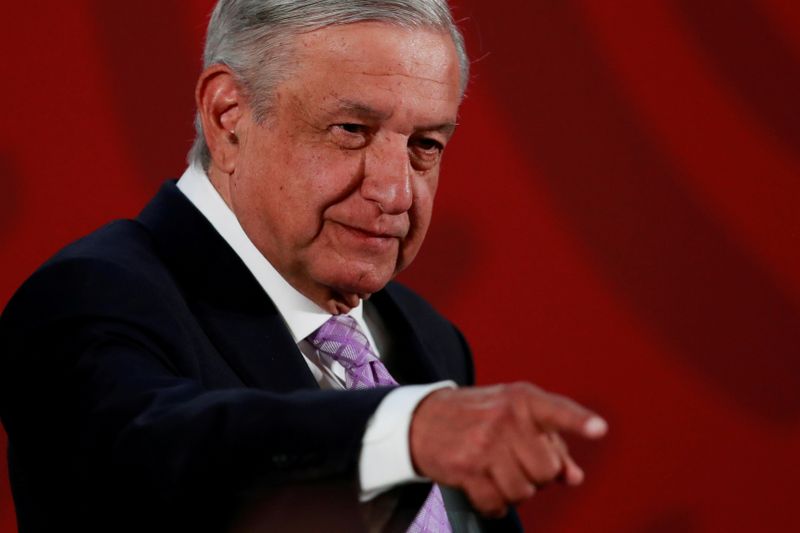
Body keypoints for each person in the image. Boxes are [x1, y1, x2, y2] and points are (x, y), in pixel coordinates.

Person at [0, 1, 607, 531]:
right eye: (352, 129)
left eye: (425, 145)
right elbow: (154, 457)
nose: (397, 192)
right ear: (228, 116)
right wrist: (404, 431)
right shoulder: (87, 298)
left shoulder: (429, 339)